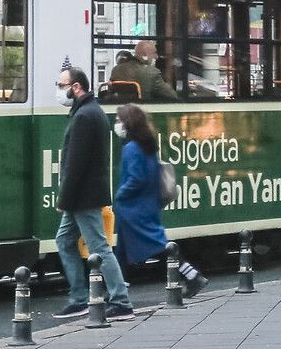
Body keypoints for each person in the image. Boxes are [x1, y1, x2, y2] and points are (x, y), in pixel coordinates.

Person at [52, 66, 134, 321]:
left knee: (99, 246)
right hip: (84, 194)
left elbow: (75, 164)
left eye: (62, 85)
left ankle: (121, 301)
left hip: (83, 196)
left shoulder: (84, 116)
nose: (60, 90)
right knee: (64, 241)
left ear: (76, 87)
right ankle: (78, 297)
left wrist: (64, 199)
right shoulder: (90, 111)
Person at [111, 104, 209, 296]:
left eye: (118, 120)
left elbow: (136, 178)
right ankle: (117, 289)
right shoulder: (147, 145)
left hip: (133, 208)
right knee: (122, 251)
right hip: (146, 204)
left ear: (128, 123)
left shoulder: (131, 148)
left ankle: (192, 275)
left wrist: (120, 194)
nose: (116, 124)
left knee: (158, 245)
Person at [109, 40, 178, 101]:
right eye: (154, 53)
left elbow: (110, 92)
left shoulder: (116, 69)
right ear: (145, 55)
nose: (156, 56)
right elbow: (172, 96)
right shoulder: (152, 72)